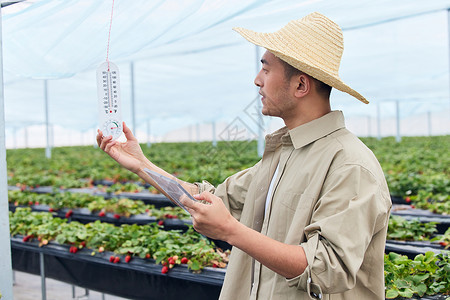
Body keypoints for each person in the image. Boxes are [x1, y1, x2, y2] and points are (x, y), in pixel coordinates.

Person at [97, 12, 391, 300]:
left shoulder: (350, 165)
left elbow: (326, 269)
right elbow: (207, 200)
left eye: (266, 68)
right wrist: (142, 166)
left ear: (301, 85)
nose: (257, 80)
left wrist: (230, 230)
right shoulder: (282, 154)